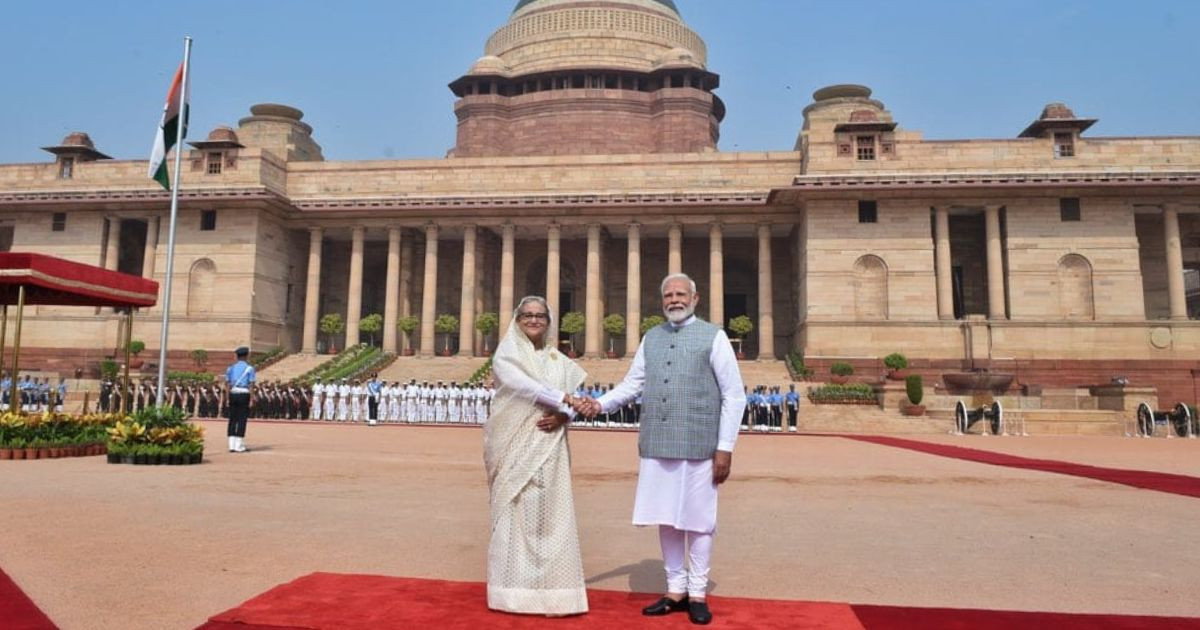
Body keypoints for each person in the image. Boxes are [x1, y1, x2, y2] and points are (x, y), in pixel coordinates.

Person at [576, 273, 745, 626]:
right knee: (666, 517)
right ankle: (675, 590)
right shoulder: (651, 338)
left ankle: (697, 592)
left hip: (700, 442)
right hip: (658, 441)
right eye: (668, 295)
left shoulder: (714, 337)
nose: (674, 300)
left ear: (695, 298)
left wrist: (725, 447)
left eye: (681, 294)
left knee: (698, 522)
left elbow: (734, 394)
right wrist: (599, 404)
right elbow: (631, 385)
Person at [484, 295, 588, 616]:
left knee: (551, 515)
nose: (534, 320)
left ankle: (555, 593)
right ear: (517, 320)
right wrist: (564, 399)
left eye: (540, 316)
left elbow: (577, 399)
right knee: (516, 511)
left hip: (550, 445)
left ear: (549, 320)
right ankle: (511, 593)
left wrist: (564, 414)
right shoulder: (507, 354)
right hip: (515, 444)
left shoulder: (559, 361)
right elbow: (521, 385)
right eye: (527, 315)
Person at [224, 347, 256, 453]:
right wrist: (251, 399)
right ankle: (239, 445)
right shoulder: (250, 368)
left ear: (237, 356)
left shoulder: (230, 368)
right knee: (242, 419)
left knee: (232, 419)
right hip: (244, 394)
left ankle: (231, 445)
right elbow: (251, 384)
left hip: (233, 394)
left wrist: (227, 398)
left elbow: (227, 384)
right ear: (246, 356)